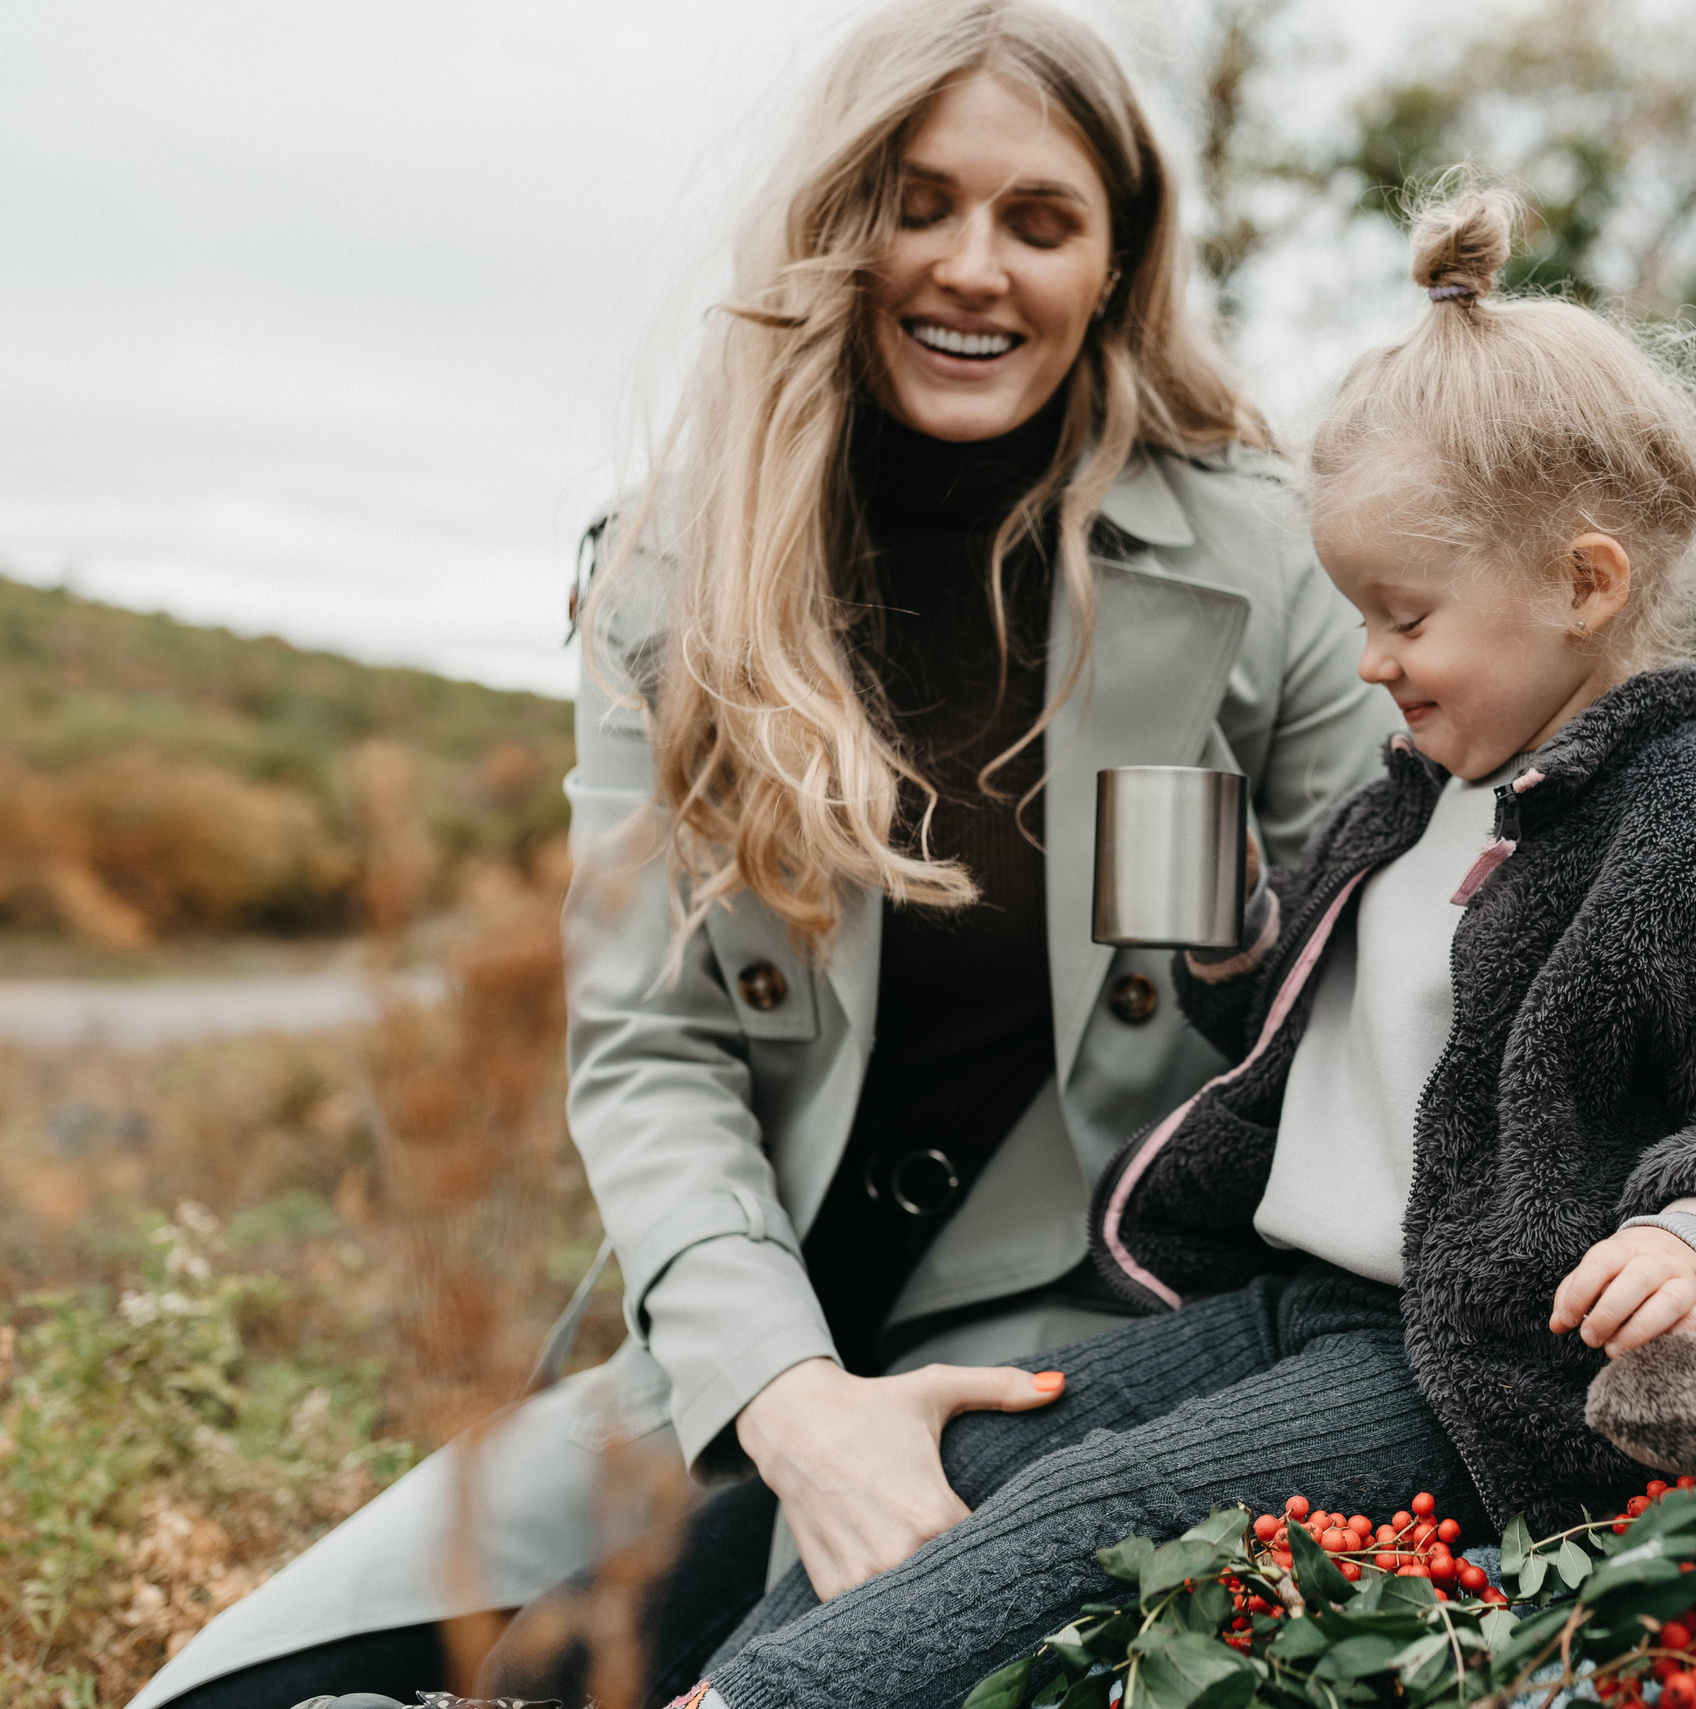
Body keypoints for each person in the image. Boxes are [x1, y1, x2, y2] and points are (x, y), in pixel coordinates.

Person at [128, 4, 1395, 1706]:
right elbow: (651, 1047)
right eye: (918, 202)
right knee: (206, 1696)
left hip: (1078, 1363)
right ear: (837, 222)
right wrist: (785, 1394)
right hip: (733, 1355)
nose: (972, 268)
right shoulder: (668, 571)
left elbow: (1380, 1013)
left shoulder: (1273, 565)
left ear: (1117, 263)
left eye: (1039, 221)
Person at [681, 186, 1696, 1709]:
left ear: (1584, 584)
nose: (1367, 658)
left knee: (1119, 1519)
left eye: (1403, 614)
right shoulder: (1413, 804)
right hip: (1293, 1299)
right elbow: (1344, 1042)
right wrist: (1239, 943)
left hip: (1470, 1366)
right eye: (1354, 610)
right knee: (971, 1448)